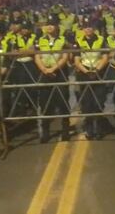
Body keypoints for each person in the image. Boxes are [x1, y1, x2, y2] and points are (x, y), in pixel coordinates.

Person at [34, 15, 71, 143]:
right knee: (45, 103)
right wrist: (45, 70)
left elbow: (65, 57)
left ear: (56, 27)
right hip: (44, 73)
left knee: (62, 101)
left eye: (52, 24)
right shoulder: (40, 40)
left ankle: (65, 131)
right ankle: (45, 132)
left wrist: (53, 69)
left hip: (60, 73)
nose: (49, 27)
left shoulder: (63, 40)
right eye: (47, 24)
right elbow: (37, 56)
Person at [73, 17, 109, 139]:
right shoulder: (79, 41)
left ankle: (99, 128)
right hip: (85, 74)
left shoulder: (101, 40)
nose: (88, 30)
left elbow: (105, 57)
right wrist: (86, 71)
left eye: (90, 27)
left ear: (94, 29)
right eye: (85, 28)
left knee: (99, 101)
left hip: (99, 73)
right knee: (87, 103)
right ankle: (89, 129)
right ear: (83, 30)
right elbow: (77, 60)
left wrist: (96, 70)